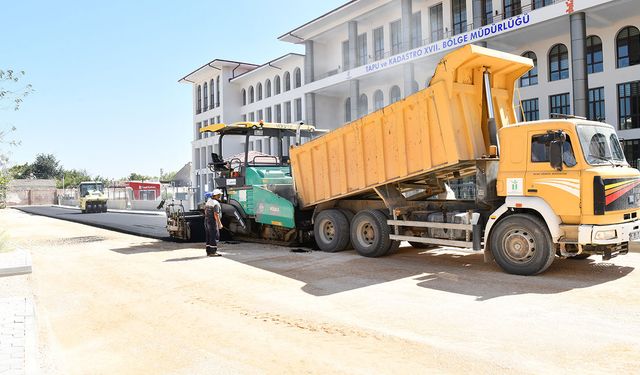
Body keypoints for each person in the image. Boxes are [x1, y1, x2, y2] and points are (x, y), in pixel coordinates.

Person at [204, 189, 224, 257]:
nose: (220, 196)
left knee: (209, 236)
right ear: (217, 196)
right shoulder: (216, 203)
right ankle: (213, 252)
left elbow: (205, 211)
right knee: (215, 236)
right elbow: (216, 214)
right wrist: (219, 223)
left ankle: (208, 251)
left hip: (207, 220)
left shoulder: (208, 201)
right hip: (213, 221)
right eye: (219, 195)